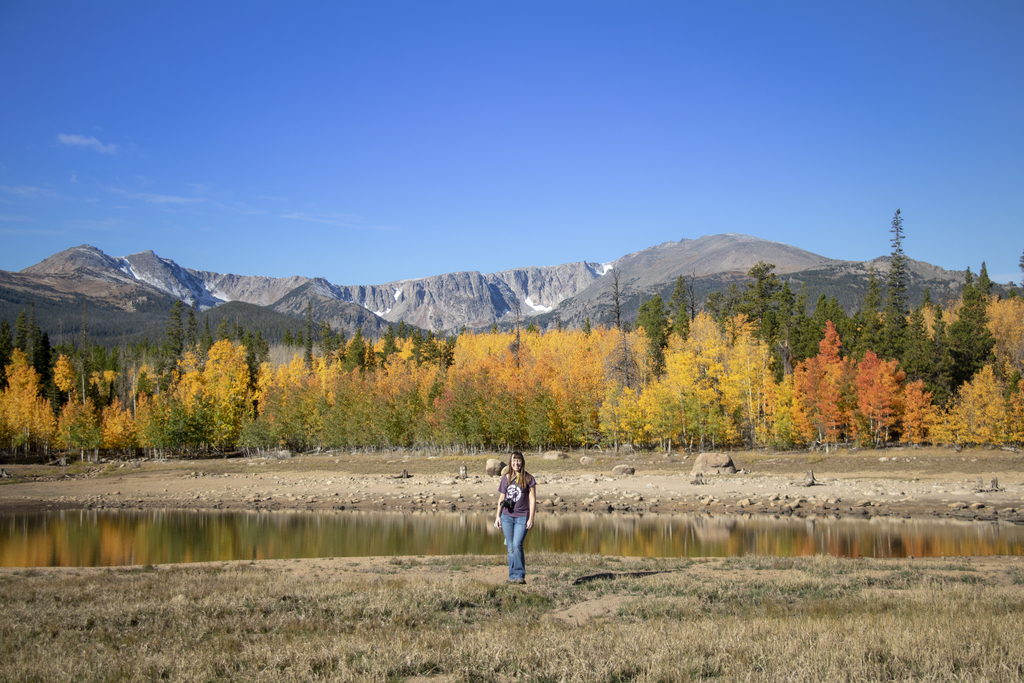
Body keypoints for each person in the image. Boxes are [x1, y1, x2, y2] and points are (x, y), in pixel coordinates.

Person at [494, 451, 536, 584]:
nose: (516, 463)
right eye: (513, 460)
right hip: (507, 517)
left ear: (522, 462)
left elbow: (532, 499)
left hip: (522, 517)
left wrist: (531, 518)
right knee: (510, 547)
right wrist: (498, 516)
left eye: (518, 460)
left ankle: (520, 575)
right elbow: (501, 498)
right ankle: (513, 577)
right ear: (510, 462)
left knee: (517, 545)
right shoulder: (506, 478)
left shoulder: (529, 478)